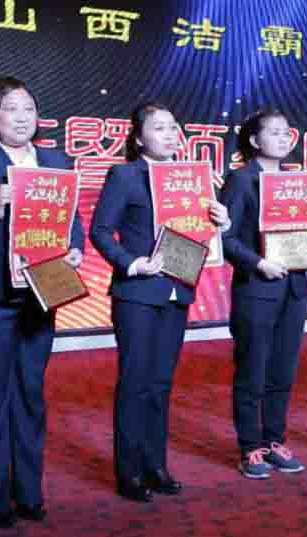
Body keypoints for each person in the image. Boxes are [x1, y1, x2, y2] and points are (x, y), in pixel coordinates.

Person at [0, 76, 85, 526]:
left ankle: (29, 492)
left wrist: (75, 248)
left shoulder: (56, 160)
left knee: (30, 394)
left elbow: (73, 220)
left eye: (29, 107)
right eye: (11, 108)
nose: (22, 117)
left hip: (41, 292)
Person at [90, 102, 230, 501]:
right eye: (158, 128)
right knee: (135, 381)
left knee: (161, 383)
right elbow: (101, 230)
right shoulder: (125, 175)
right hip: (136, 292)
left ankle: (156, 465)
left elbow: (202, 233)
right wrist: (131, 264)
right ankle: (129, 472)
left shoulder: (192, 178)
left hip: (177, 289)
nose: (169, 135)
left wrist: (222, 222)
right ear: (138, 138)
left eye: (172, 128)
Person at [220, 109, 307, 479]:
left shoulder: (298, 181)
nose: (282, 138)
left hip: (294, 286)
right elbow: (226, 238)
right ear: (254, 140)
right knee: (252, 371)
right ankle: (249, 447)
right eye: (273, 132)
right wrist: (258, 263)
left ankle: (275, 440)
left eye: (286, 132)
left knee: (283, 371)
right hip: (257, 287)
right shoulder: (241, 180)